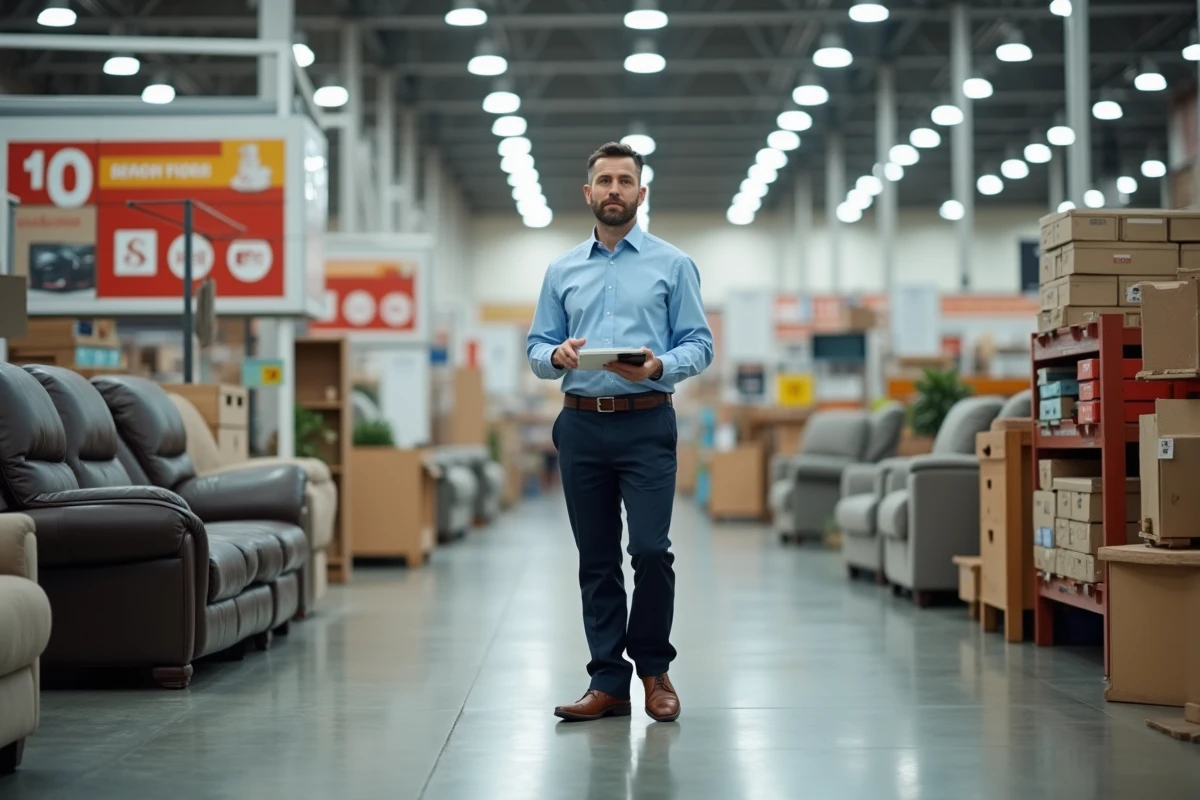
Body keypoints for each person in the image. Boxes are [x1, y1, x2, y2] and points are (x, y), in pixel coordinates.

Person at [526, 142, 714, 723]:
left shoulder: (673, 265)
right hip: (581, 425)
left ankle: (654, 671)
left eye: (624, 181)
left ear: (641, 192)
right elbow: (536, 348)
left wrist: (658, 366)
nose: (614, 190)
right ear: (588, 193)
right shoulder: (561, 270)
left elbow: (700, 344)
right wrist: (556, 355)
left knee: (651, 551)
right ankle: (608, 682)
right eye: (604, 180)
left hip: (647, 422)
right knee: (597, 557)